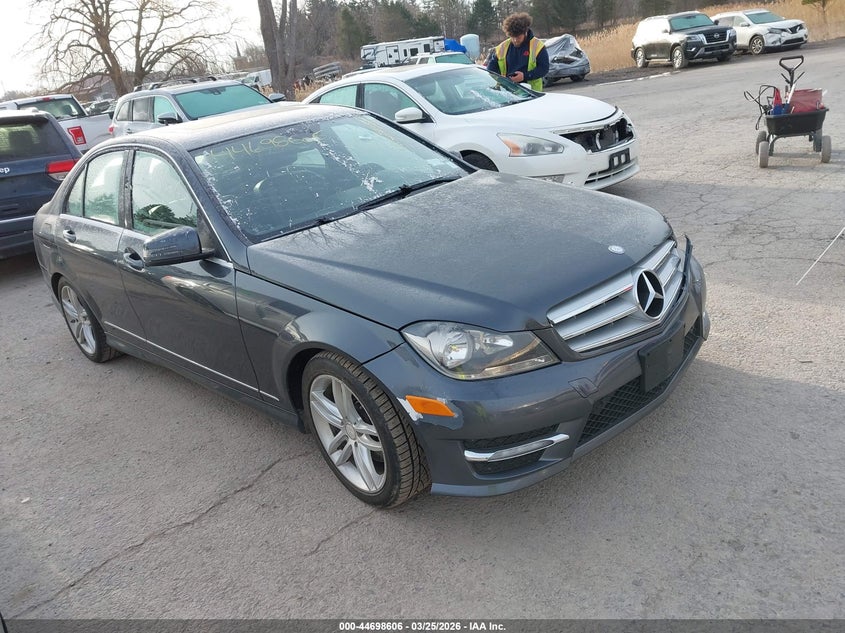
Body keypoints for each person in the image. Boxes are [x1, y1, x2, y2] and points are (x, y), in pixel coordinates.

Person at [486, 12, 549, 92]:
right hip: (508, 92)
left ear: (525, 32)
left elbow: (544, 68)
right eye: (512, 37)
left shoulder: (537, 46)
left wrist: (525, 76)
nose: (515, 40)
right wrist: (503, 80)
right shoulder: (502, 47)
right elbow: (491, 69)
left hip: (532, 93)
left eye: (518, 37)